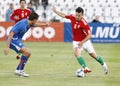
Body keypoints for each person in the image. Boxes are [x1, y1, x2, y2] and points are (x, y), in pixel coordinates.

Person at [52, 6, 109, 75]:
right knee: (76, 53)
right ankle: (85, 68)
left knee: (94, 56)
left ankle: (103, 64)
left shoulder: (84, 23)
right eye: (76, 15)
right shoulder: (73, 17)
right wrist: (56, 11)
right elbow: (63, 15)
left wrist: (82, 42)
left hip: (85, 41)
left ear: (82, 15)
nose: (77, 17)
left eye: (79, 16)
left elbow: (90, 35)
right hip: (76, 41)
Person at [4, 12, 52, 77]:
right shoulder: (22, 24)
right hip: (12, 40)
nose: (37, 21)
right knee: (27, 52)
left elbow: (36, 25)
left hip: (17, 41)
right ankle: (20, 70)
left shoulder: (29, 24)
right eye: (37, 19)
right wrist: (7, 47)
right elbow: (11, 34)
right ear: (34, 19)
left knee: (28, 53)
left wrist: (45, 25)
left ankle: (18, 70)